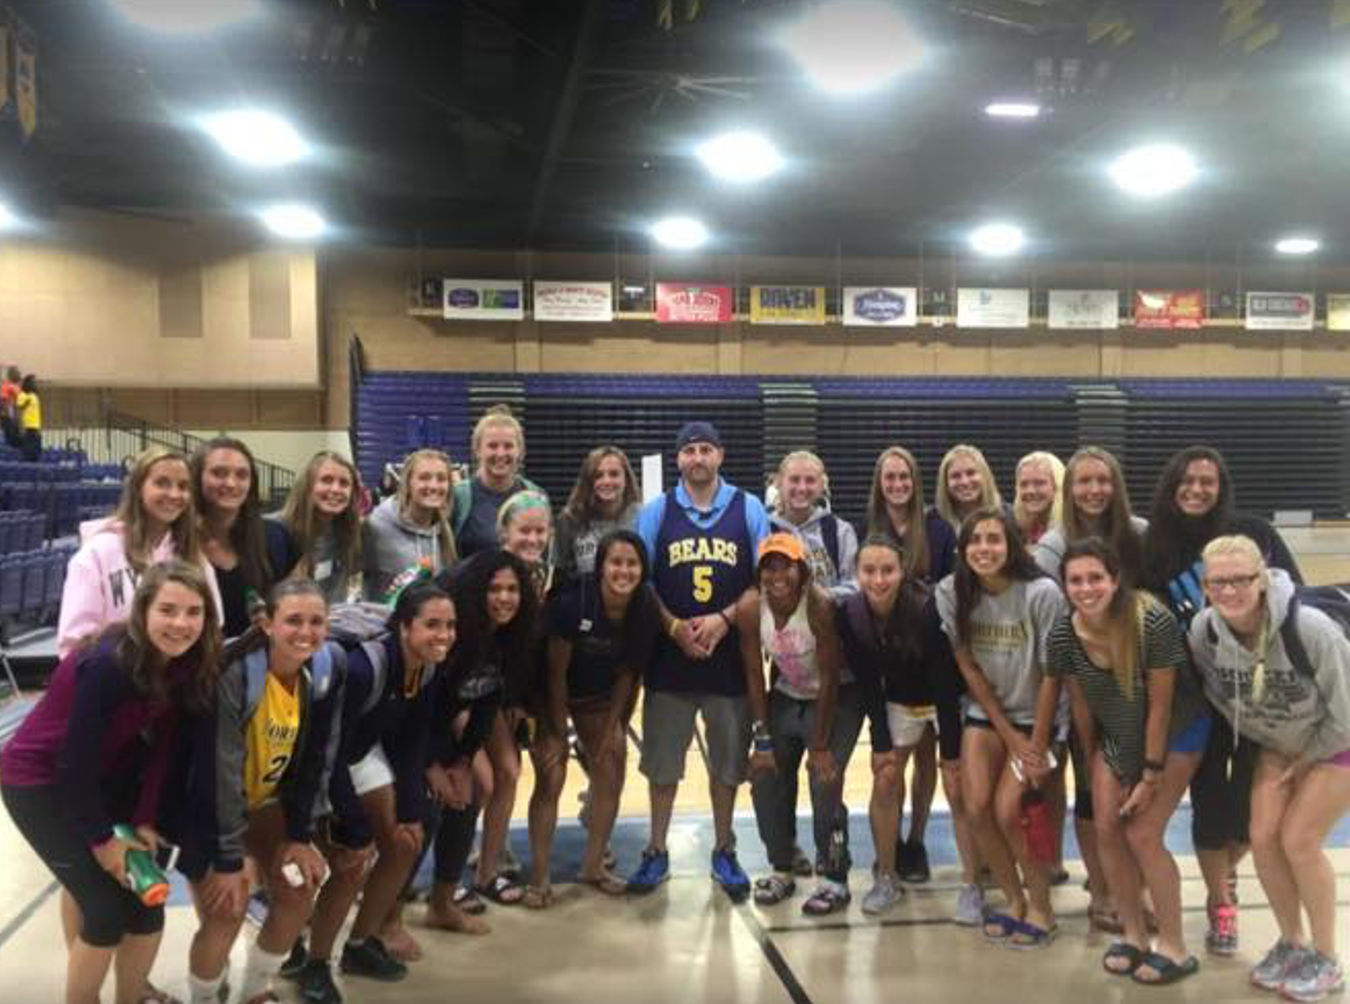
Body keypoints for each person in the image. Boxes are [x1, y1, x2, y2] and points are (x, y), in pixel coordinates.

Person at [2, 561, 221, 1004]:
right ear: (143, 612)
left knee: (147, 905)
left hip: (93, 780)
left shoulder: (183, 663)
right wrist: (103, 841)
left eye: (193, 612)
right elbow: (73, 765)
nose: (181, 624)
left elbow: (161, 749)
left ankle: (131, 996)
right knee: (102, 911)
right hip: (35, 782)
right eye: (168, 610)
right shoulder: (107, 664)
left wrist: (143, 819)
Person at [1140, 445, 1303, 957]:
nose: (1195, 489)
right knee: (1210, 806)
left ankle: (1227, 873)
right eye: (1186, 480)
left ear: (1221, 486)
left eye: (1206, 481)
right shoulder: (1153, 549)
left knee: (1256, 815)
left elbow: (1293, 597)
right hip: (1198, 700)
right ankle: (1220, 902)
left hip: (1262, 697)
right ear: (1171, 486)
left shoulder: (1255, 535)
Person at [1041, 538, 1208, 985]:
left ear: (1115, 580)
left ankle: (1173, 946)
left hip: (1175, 733)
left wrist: (1150, 775)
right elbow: (1079, 702)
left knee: (1143, 833)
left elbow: (1160, 706)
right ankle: (1133, 936)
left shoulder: (1151, 620)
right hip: (1120, 735)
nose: (1086, 587)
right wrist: (1093, 762)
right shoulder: (1063, 632)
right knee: (1106, 827)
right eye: (1075, 580)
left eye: (1095, 577)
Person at [1191, 536, 1350, 1001]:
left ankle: (1327, 958)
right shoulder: (1205, 632)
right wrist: (1274, 742)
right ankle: (1291, 942)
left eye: (1241, 579)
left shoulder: (1310, 629)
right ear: (1205, 585)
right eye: (1218, 582)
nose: (1230, 590)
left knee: (1299, 840)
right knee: (1262, 839)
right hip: (1278, 746)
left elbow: (1348, 712)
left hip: (1336, 741)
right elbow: (1220, 695)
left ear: (1261, 578)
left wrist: (1306, 759)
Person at [178, 579, 342, 1004]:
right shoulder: (234, 675)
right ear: (267, 623)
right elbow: (222, 774)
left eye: (316, 621)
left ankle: (256, 990)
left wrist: (301, 835)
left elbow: (315, 760)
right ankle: (205, 997)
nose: (305, 631)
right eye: (293, 620)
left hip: (265, 802)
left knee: (299, 889)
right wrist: (231, 858)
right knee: (228, 909)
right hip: (208, 809)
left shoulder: (322, 670)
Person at [628, 420, 770, 898]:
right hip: (670, 660)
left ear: (721, 456)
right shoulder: (656, 511)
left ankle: (724, 848)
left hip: (730, 660)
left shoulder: (748, 508)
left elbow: (762, 580)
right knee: (663, 768)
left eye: (706, 449)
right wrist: (672, 627)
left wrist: (725, 619)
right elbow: (640, 582)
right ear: (679, 460)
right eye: (689, 451)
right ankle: (655, 849)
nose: (698, 458)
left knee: (727, 767)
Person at [297, 581, 455, 1003]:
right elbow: (328, 752)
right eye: (432, 625)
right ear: (403, 627)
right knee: (353, 858)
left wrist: (409, 808)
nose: (444, 635)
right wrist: (354, 822)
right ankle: (314, 963)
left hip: (358, 753)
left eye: (450, 625)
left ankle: (360, 945)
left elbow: (411, 742)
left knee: (407, 840)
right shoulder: (365, 669)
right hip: (315, 761)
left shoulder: (428, 665)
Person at [936, 506, 1066, 948]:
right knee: (975, 807)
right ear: (963, 549)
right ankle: (1013, 900)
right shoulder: (952, 592)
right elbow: (968, 667)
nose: (984, 548)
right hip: (990, 714)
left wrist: (1035, 743)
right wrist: (1007, 735)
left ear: (1013, 545)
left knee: (1012, 812)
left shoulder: (1042, 593)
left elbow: (1053, 673)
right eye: (975, 540)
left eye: (994, 539)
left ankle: (1042, 908)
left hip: (1040, 716)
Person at [528, 530, 660, 901]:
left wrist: (610, 731)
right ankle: (540, 878)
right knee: (552, 774)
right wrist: (556, 732)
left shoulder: (645, 605)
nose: (623, 571)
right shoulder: (574, 602)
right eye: (615, 562)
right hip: (548, 691)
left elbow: (628, 674)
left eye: (631, 563)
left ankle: (592, 866)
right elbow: (554, 674)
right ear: (601, 566)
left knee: (612, 762)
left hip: (597, 696)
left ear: (642, 569)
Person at [835, 534, 962, 915]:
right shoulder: (851, 615)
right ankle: (886, 875)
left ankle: (966, 876)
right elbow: (869, 683)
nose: (878, 580)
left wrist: (952, 751)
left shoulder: (926, 609)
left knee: (957, 784)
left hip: (944, 699)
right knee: (887, 775)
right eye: (869, 571)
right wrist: (880, 742)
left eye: (887, 570)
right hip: (899, 702)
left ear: (902, 570)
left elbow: (944, 680)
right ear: (856, 573)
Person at [734, 533, 860, 915]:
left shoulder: (819, 605)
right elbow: (755, 675)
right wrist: (763, 738)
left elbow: (831, 677)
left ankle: (835, 875)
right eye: (768, 566)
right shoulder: (750, 608)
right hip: (788, 695)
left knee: (826, 781)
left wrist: (820, 744)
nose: (777, 575)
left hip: (838, 698)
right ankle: (782, 865)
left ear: (802, 570)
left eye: (785, 565)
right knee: (764, 775)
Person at [424, 548, 539, 930]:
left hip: (479, 701)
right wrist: (454, 757)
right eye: (495, 589)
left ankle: (487, 873)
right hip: (447, 707)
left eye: (512, 589)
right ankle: (447, 884)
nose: (505, 598)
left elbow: (495, 691)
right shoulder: (458, 630)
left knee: (508, 769)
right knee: (479, 783)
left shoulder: (512, 632)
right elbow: (440, 699)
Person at [865, 445, 959, 888]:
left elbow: (951, 594)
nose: (898, 485)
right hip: (889, 667)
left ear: (915, 481)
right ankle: (889, 843)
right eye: (890, 478)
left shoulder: (938, 530)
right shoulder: (871, 528)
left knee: (927, 758)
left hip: (933, 662)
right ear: (880, 484)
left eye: (905, 477)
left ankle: (915, 841)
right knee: (890, 763)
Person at [59, 445, 220, 658]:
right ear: (138, 488)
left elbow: (213, 627)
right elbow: (75, 642)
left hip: (180, 682)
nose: (174, 494)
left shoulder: (194, 556)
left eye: (183, 486)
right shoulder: (97, 553)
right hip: (115, 680)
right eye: (162, 483)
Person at [192, 438, 292, 639]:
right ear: (197, 478)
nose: (230, 483)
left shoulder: (274, 537)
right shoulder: (175, 541)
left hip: (257, 658)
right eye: (219, 473)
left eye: (241, 475)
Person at [1033, 447, 1147, 586]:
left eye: (1103, 480)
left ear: (1116, 486)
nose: (1095, 490)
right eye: (1084, 481)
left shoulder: (1141, 533)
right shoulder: (1053, 545)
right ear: (1070, 489)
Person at [362, 448, 458, 601]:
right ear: (408, 483)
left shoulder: (444, 531)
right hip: (383, 623)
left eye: (441, 479)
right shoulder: (376, 526)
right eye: (424, 478)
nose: (433, 486)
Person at [451, 405, 545, 559]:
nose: (500, 453)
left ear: (520, 451)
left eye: (508, 446)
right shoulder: (458, 497)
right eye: (492, 446)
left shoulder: (536, 495)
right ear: (477, 450)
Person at [271, 451, 364, 605]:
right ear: (307, 486)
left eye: (344, 483)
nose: (335, 489)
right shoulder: (274, 532)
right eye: (326, 480)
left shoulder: (351, 533)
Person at [551, 445, 642, 587]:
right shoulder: (570, 519)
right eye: (598, 475)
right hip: (583, 604)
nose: (606, 481)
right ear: (588, 481)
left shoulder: (642, 516)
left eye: (614, 474)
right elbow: (557, 574)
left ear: (626, 478)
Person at [934, 444, 1003, 534]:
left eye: (971, 473)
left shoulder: (1006, 518)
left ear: (985, 476)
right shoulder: (931, 523)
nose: (964, 482)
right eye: (955, 476)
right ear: (945, 483)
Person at [1013, 451, 1064, 548]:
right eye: (1024, 484)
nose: (1030, 491)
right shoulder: (1016, 530)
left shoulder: (1068, 533)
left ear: (1057, 486)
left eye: (1039, 483)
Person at [14, 373, 41, 461]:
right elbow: (19, 410)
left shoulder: (34, 396)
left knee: (36, 453)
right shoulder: (22, 395)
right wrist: (21, 428)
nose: (36, 384)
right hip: (27, 428)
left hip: (36, 427)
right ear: (28, 383)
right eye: (34, 382)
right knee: (28, 453)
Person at [0, 363, 20, 447]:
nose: (19, 374)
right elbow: (3, 401)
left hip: (15, 417)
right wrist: (7, 414)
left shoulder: (18, 386)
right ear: (11, 374)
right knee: (11, 440)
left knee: (16, 439)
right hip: (8, 417)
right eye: (17, 372)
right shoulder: (6, 386)